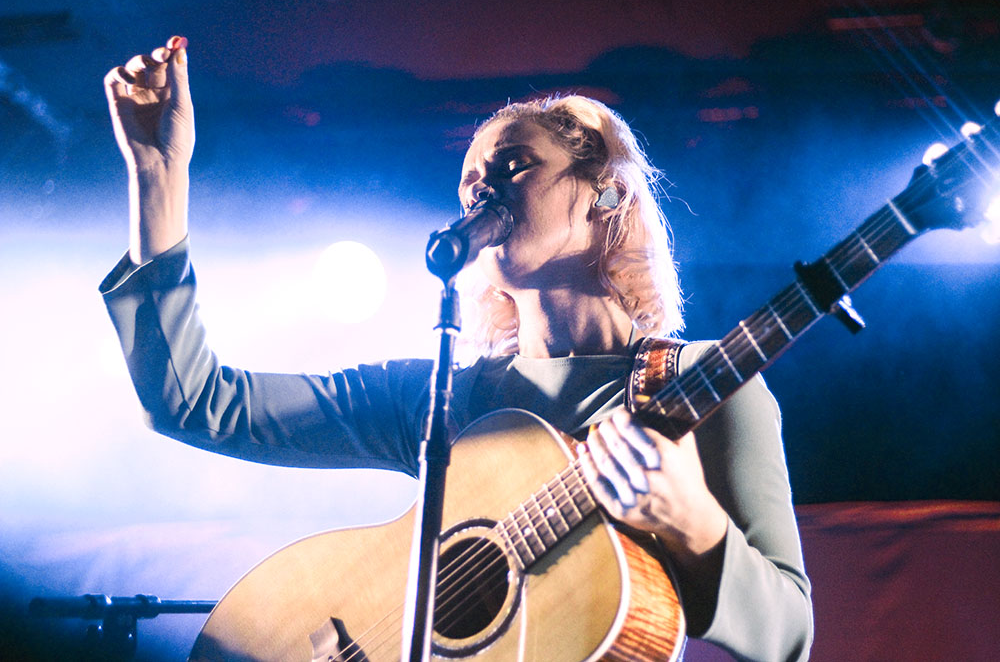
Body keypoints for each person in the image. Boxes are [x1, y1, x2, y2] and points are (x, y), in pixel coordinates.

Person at [100, 37, 813, 661]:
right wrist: (158, 179)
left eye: (511, 165)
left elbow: (790, 635)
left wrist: (695, 522)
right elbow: (193, 402)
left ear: (604, 194)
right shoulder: (446, 395)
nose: (480, 188)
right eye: (471, 176)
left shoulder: (710, 384)